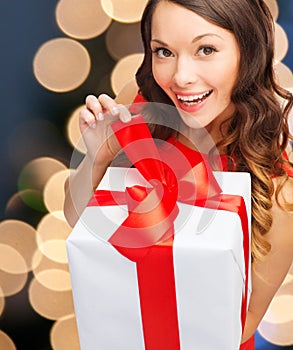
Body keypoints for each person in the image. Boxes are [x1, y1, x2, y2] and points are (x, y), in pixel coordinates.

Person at [64, 0, 293, 349]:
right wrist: (100, 152)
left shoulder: (279, 191)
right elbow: (76, 217)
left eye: (205, 49)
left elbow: (240, 326)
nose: (181, 77)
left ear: (249, 52)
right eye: (163, 52)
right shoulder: (141, 109)